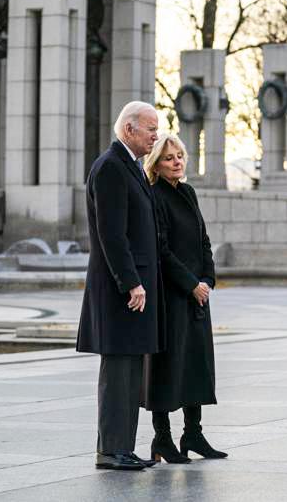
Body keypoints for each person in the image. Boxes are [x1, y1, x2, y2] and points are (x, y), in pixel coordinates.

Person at [76, 101, 163, 471]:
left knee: (130, 372)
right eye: (150, 128)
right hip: (121, 290)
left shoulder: (130, 166)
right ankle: (111, 450)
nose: (155, 136)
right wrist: (131, 282)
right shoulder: (111, 167)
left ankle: (122, 448)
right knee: (118, 372)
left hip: (133, 288)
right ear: (129, 129)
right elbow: (112, 235)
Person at [141, 134, 227, 463]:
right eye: (169, 158)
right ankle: (162, 439)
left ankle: (193, 434)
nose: (177, 162)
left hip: (196, 295)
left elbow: (203, 240)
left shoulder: (188, 193)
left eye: (180, 156)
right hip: (171, 296)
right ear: (156, 165)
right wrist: (191, 284)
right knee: (167, 366)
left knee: (196, 364)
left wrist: (207, 279)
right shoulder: (154, 196)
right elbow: (161, 250)